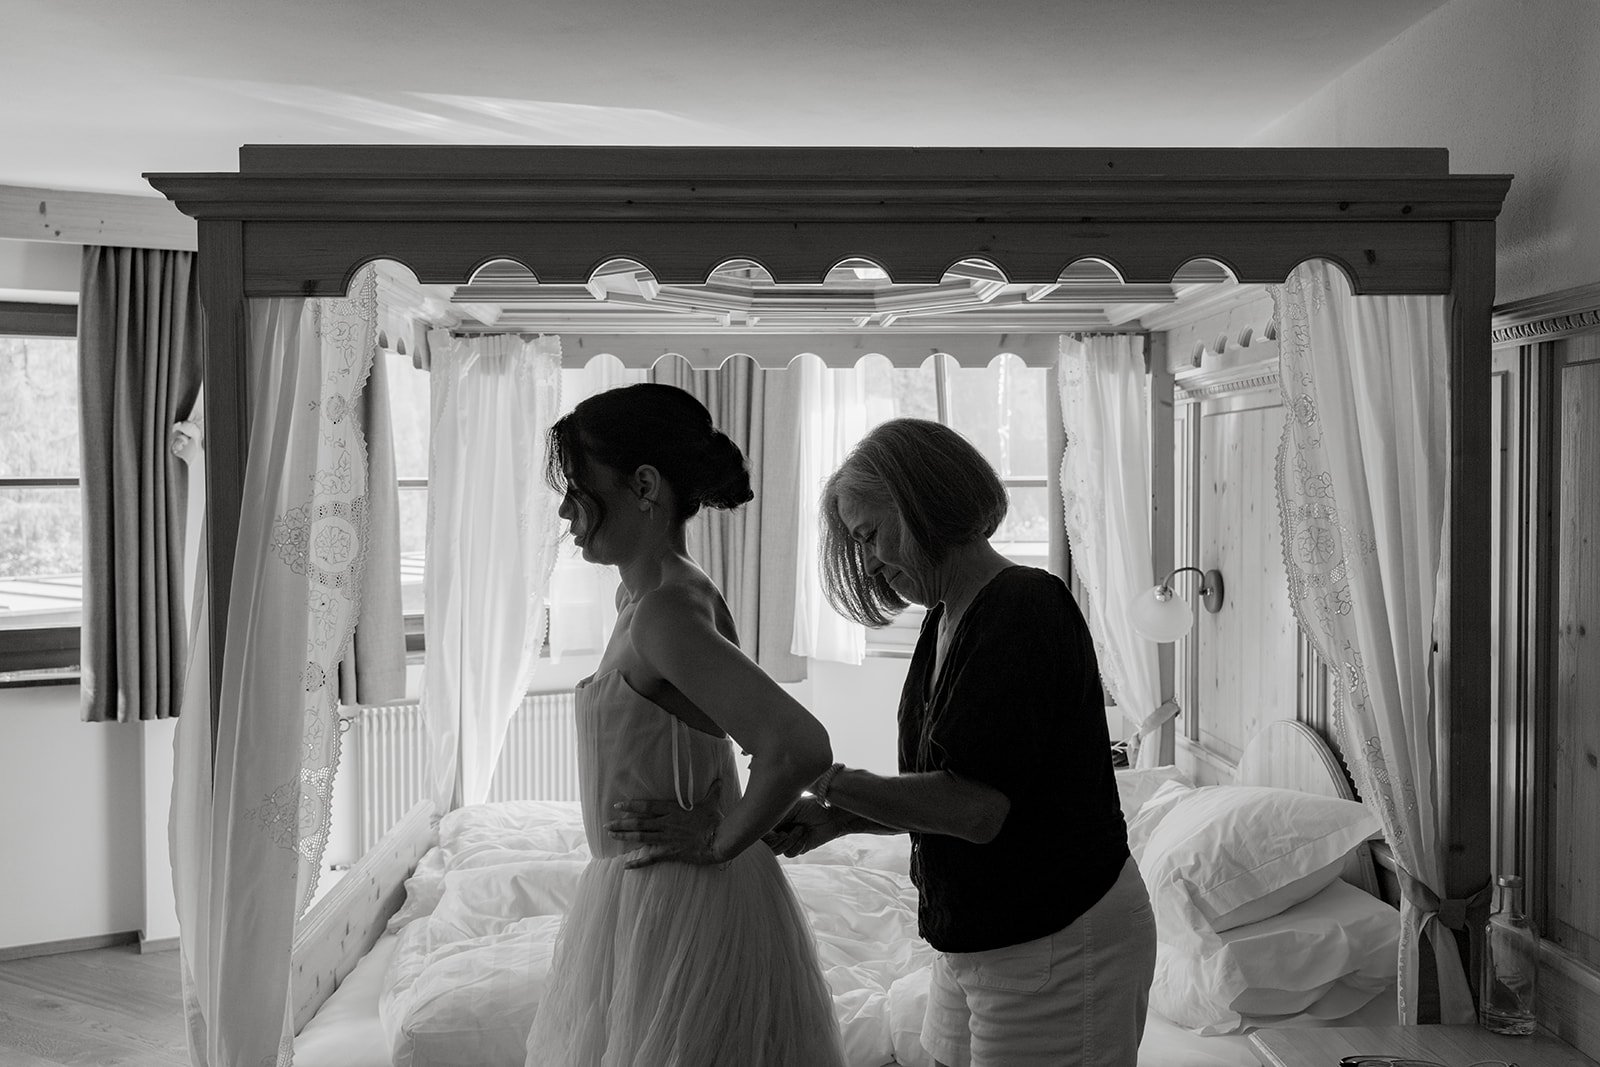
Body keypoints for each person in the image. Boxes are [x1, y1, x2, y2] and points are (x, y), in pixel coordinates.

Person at [766, 417, 1156, 1067]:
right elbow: (950, 786)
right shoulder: (945, 619)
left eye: (870, 535)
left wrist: (827, 777)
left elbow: (975, 810)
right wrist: (831, 820)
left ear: (921, 501)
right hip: (977, 940)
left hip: (1059, 940)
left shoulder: (1023, 610)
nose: (868, 561)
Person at [523, 383, 847, 1066]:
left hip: (680, 906)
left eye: (578, 487)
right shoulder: (648, 596)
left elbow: (797, 744)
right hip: (654, 899)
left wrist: (722, 837)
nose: (565, 509)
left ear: (643, 484)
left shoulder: (664, 609)